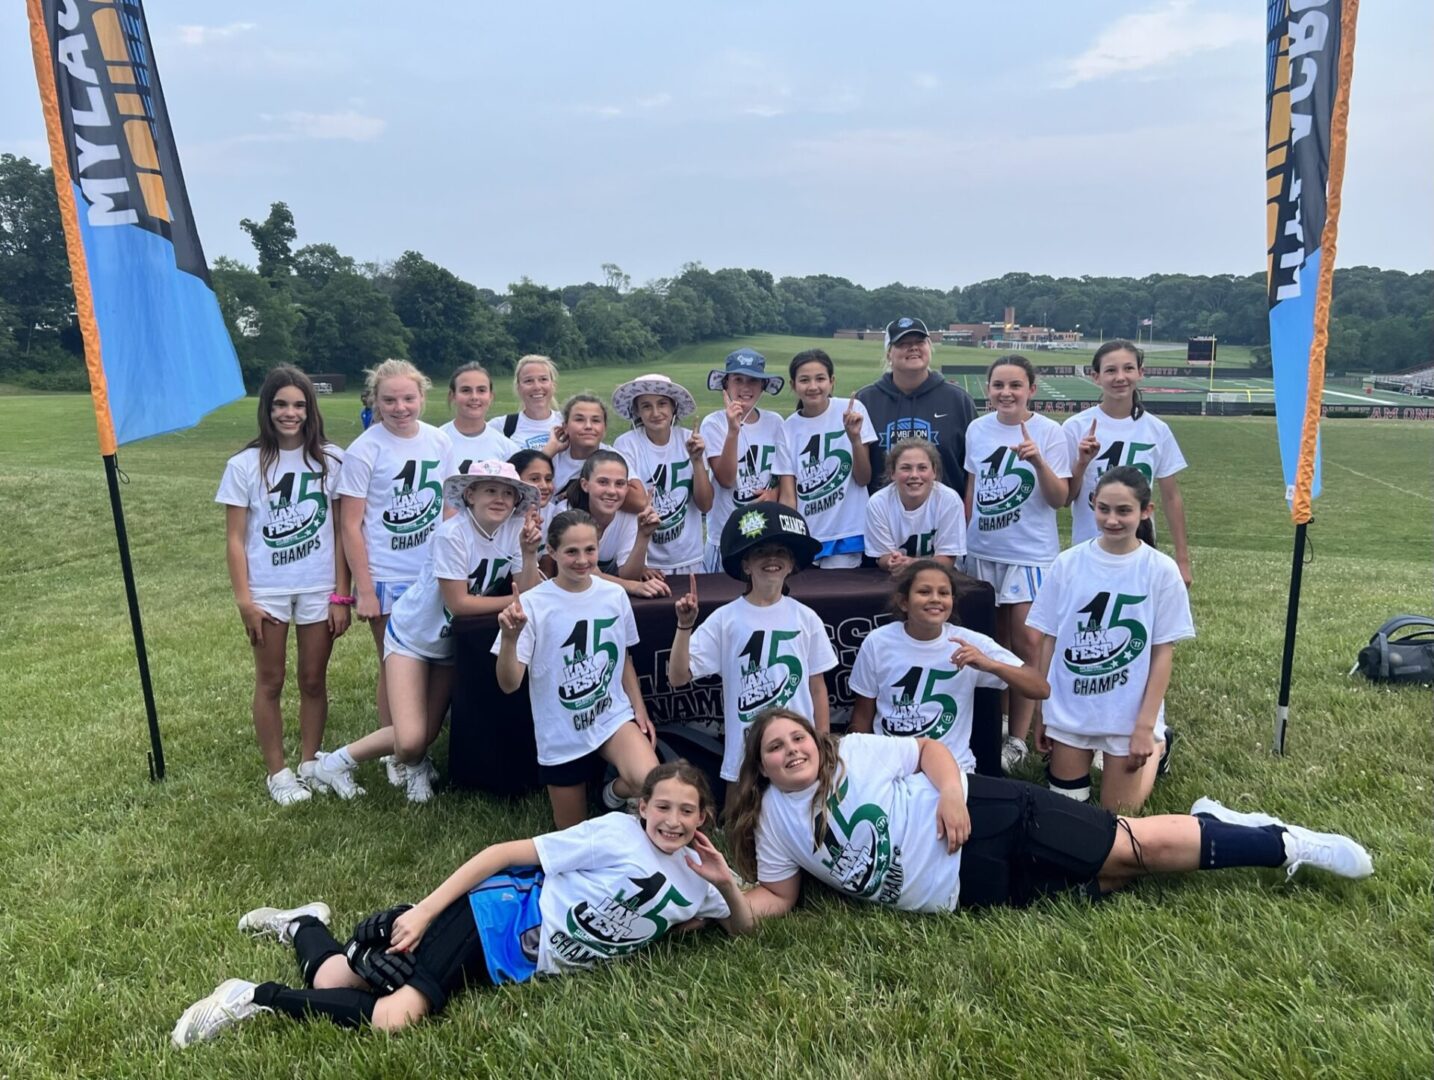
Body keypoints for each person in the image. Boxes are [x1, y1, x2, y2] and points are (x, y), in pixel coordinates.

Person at [171, 761, 754, 1046]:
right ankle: (249, 998)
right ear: (642, 808)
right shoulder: (616, 834)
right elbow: (502, 852)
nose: (673, 820)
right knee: (395, 1017)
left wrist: (725, 882)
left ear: (705, 817)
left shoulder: (700, 879)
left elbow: (743, 931)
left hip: (514, 961)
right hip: (495, 916)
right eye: (663, 807)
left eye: (687, 811)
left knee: (334, 973)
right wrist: (424, 911)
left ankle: (301, 922)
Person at [724, 710, 1372, 922]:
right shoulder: (773, 823)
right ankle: (1215, 820)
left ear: (816, 740)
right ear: (761, 767)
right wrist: (717, 901)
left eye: (798, 737)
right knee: (1113, 879)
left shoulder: (854, 753)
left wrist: (951, 794)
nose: (792, 749)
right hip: (970, 891)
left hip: (992, 817)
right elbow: (777, 896)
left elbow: (927, 751)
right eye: (775, 747)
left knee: (1132, 849)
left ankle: (1281, 843)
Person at [311, 462, 543, 803]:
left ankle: (417, 766)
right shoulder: (453, 533)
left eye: (508, 493)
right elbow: (460, 602)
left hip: (451, 643)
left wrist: (528, 553)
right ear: (470, 495)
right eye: (490, 490)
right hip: (414, 635)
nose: (500, 499)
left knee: (428, 733)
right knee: (409, 740)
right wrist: (518, 599)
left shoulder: (514, 532)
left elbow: (527, 586)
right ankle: (333, 762)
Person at [215, 366, 351, 805]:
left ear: (310, 410)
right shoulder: (244, 465)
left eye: (298, 405)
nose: (289, 413)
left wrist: (340, 595)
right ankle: (279, 773)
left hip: (319, 586)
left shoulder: (332, 460)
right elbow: (235, 539)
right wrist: (244, 600)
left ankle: (311, 762)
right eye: (280, 404)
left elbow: (341, 532)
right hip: (268, 590)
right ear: (267, 408)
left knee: (314, 679)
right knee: (270, 680)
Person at [1027, 467, 1194, 811]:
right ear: (1092, 504)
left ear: (1146, 512)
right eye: (1104, 509)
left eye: (1124, 511)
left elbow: (1162, 653)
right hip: (1071, 710)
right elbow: (1049, 641)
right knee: (1068, 815)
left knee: (1114, 818)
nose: (1112, 520)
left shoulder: (1160, 571)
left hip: (1126, 715)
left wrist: (1145, 728)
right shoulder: (1067, 563)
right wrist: (1042, 711)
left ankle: (1159, 746)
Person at [492, 509, 661, 827]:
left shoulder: (614, 595)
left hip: (612, 716)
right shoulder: (533, 604)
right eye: (571, 551)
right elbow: (509, 684)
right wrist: (510, 639)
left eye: (590, 549)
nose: (582, 560)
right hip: (561, 729)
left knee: (652, 784)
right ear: (552, 552)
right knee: (575, 837)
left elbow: (622, 657)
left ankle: (612, 794)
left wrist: (639, 709)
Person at [336, 359, 453, 788]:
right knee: (393, 665)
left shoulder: (438, 441)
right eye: (390, 400)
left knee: (434, 659)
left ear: (422, 397)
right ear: (375, 402)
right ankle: (398, 755)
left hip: (434, 575)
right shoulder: (364, 450)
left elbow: (447, 506)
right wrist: (363, 589)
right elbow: (350, 524)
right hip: (387, 575)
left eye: (408, 398)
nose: (400, 408)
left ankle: (412, 744)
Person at [668, 502, 837, 790]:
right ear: (745, 565)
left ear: (792, 564)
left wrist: (822, 743)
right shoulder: (726, 619)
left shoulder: (806, 618)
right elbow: (678, 676)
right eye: (760, 552)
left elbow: (817, 686)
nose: (772, 559)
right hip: (745, 753)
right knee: (743, 826)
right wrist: (685, 626)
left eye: (781, 552)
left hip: (799, 752)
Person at [963, 354, 1071, 774]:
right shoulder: (977, 428)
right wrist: (963, 542)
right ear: (987, 389)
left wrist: (1038, 461)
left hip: (1029, 554)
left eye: (1015, 385)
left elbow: (1059, 498)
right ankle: (1000, 721)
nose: (1006, 393)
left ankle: (1018, 739)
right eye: (998, 386)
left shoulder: (1049, 432)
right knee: (993, 643)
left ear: (1031, 389)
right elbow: (973, 488)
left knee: (1027, 645)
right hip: (982, 552)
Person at [848, 560, 1048, 773]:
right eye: (924, 592)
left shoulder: (969, 643)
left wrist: (991, 665)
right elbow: (862, 714)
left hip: (952, 769)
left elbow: (1040, 688)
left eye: (943, 593)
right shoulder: (878, 642)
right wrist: (858, 765)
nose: (935, 599)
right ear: (903, 602)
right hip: (891, 766)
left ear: (952, 601)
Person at [1065, 339, 1193, 586]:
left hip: (1140, 549)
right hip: (1088, 548)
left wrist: (1182, 561)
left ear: (1140, 373)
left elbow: (1171, 497)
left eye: (1128, 368)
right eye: (1110, 370)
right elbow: (1065, 498)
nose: (1120, 377)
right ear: (1096, 377)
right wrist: (1081, 463)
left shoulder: (1157, 430)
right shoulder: (1075, 427)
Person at [856, 316, 978, 497]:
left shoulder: (959, 401)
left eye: (920, 341)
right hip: (883, 519)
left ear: (929, 347)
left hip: (944, 517)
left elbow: (973, 471)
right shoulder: (866, 401)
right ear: (889, 353)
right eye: (903, 343)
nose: (913, 347)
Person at [779, 348, 876, 569]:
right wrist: (792, 538)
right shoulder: (787, 428)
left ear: (832, 381)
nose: (813, 386)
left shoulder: (852, 410)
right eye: (804, 380)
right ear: (793, 385)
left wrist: (855, 440)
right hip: (808, 535)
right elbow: (788, 495)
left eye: (820, 378)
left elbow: (863, 478)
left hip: (847, 532)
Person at [699, 348, 792, 573]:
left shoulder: (775, 422)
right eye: (738, 380)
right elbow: (726, 479)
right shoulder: (713, 424)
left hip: (763, 531)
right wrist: (733, 430)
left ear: (762, 386)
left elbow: (781, 471)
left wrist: (774, 494)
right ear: (726, 384)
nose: (745, 387)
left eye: (753, 381)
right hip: (725, 532)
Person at [611, 373, 713, 576]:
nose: (656, 412)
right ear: (637, 412)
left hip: (690, 556)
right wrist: (641, 563)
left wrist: (697, 461)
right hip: (647, 560)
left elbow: (705, 504)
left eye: (662, 404)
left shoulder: (689, 440)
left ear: (674, 407)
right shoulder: (627, 444)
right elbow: (625, 499)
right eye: (646, 406)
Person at [553, 450, 668, 597]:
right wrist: (633, 586)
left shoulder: (629, 516)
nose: (612, 491)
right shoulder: (566, 513)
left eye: (620, 484)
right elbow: (586, 573)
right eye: (603, 482)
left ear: (627, 489)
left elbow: (629, 575)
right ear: (585, 485)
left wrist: (643, 536)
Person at [863, 438, 967, 573]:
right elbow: (882, 556)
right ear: (892, 473)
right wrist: (892, 561)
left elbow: (947, 560)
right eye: (906, 468)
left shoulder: (949, 500)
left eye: (922, 468)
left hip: (942, 578)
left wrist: (914, 564)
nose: (914, 475)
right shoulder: (877, 503)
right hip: (896, 578)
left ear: (934, 471)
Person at [440, 362, 520, 472]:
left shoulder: (507, 449)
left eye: (481, 390)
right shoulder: (437, 440)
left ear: (491, 396)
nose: (474, 397)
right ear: (452, 396)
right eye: (466, 390)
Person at [492, 354, 561, 451]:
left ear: (553, 385)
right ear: (518, 387)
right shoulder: (500, 426)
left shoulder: (567, 423)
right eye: (529, 381)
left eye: (543, 379)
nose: (537, 387)